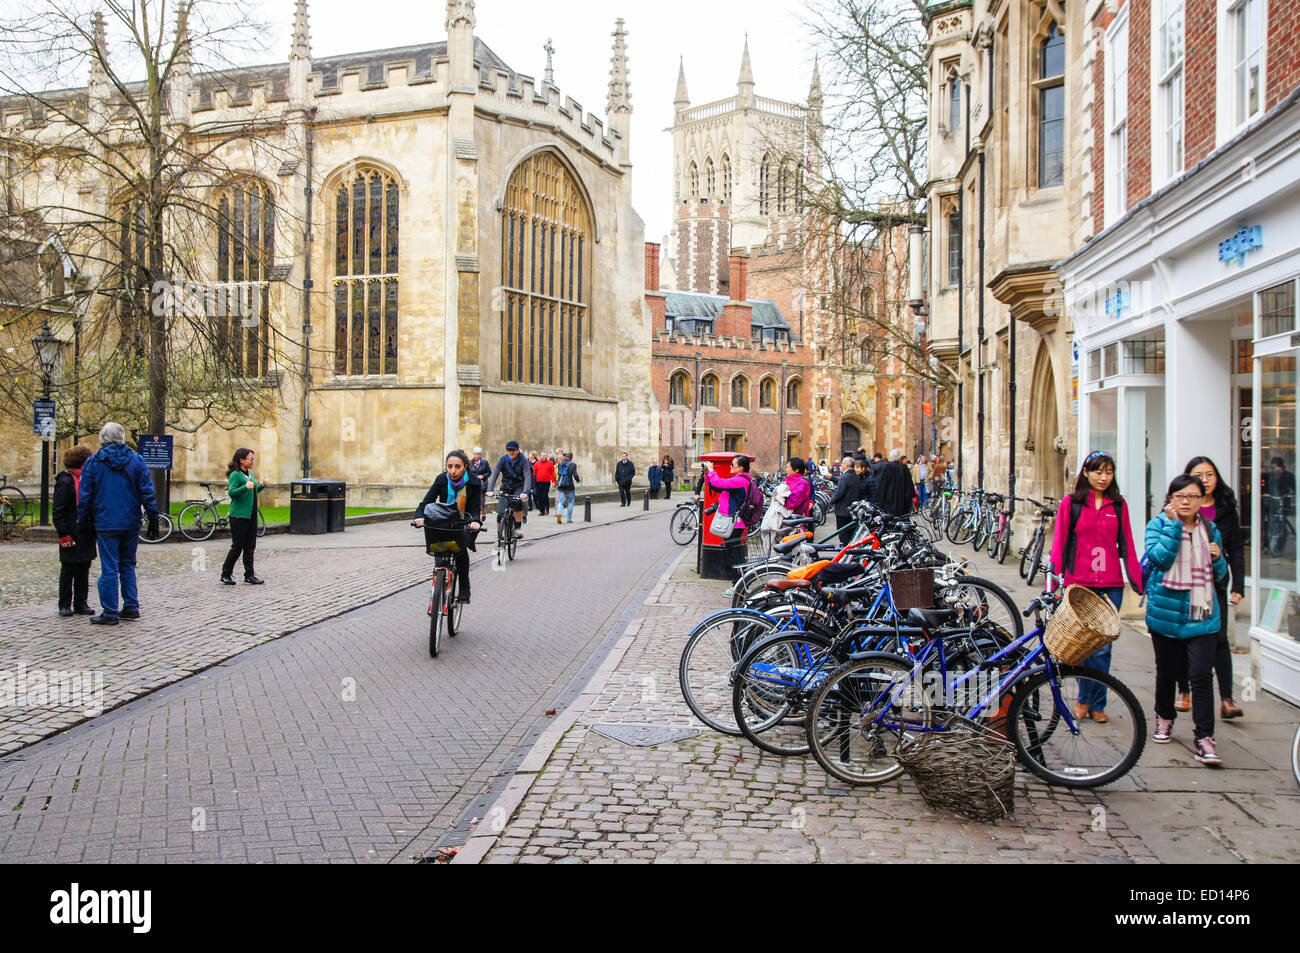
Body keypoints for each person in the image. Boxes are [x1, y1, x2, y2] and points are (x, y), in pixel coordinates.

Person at [1047, 450, 1144, 721]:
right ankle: (1084, 697)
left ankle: (1096, 703)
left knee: (1103, 647)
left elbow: (1127, 543)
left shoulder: (1118, 505)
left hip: (1110, 584)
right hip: (1080, 584)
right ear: (1086, 473)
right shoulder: (1072, 503)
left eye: (1109, 472)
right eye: (1098, 471)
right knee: (1081, 645)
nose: (1104, 477)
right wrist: (1053, 579)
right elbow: (1060, 543)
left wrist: (1137, 579)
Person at [1146, 473, 1229, 765]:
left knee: (1201, 676)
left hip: (1202, 614)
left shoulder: (1210, 529)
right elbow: (1159, 559)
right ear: (1170, 499)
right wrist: (1172, 528)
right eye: (1179, 496)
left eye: (1192, 496)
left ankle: (1205, 738)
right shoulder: (1157, 525)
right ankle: (1164, 717)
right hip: (1166, 614)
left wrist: (1218, 560)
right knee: (1167, 672)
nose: (1185, 501)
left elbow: (1221, 577)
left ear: (1200, 501)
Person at [1175, 457, 1246, 720]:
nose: (1205, 479)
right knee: (1184, 637)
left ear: (1217, 478)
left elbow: (1236, 549)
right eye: (1199, 474)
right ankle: (1185, 692)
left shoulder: (1226, 508)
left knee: (1219, 639)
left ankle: (1227, 699)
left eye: (1210, 474)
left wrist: (1239, 584)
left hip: (1215, 582)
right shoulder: (1180, 505)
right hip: (1184, 582)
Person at [75, 422, 160, 625]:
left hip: (106, 520)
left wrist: (82, 520)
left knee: (110, 567)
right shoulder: (137, 460)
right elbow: (147, 491)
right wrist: (153, 517)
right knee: (128, 565)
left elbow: (85, 495)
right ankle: (131, 606)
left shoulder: (95, 462)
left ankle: (110, 611)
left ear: (103, 439)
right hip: (130, 520)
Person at [413, 450, 483, 604]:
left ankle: (465, 588)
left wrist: (475, 522)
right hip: (444, 522)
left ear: (464, 466)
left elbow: (475, 508)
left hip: (464, 523)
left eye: (457, 466)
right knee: (439, 552)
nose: (453, 470)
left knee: (460, 550)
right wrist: (419, 516)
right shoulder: (441, 480)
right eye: (449, 466)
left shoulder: (473, 482)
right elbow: (426, 502)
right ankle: (439, 586)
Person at [53, 444, 98, 617]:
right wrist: (63, 534)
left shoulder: (86, 480)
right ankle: (64, 604)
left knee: (83, 569)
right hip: (71, 531)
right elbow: (59, 511)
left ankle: (81, 603)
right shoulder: (66, 481)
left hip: (85, 531)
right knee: (68, 570)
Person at [220, 448, 267, 586]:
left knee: (250, 547)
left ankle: (249, 575)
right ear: (241, 460)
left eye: (253, 459)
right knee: (237, 547)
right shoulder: (235, 475)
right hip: (239, 516)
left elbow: (253, 491)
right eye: (250, 459)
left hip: (251, 515)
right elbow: (232, 493)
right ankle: (225, 574)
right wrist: (244, 487)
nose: (252, 461)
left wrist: (262, 485)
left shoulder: (250, 474)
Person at [705, 455, 754, 575]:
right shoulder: (738, 480)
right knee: (733, 554)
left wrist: (712, 471)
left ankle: (738, 585)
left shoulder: (740, 481)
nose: (730, 466)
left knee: (735, 556)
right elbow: (714, 485)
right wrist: (707, 474)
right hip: (732, 523)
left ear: (741, 468)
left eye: (733, 464)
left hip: (734, 524)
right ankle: (738, 584)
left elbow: (718, 482)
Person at [760, 457, 813, 554]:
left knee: (790, 551)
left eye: (788, 467)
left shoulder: (803, 483)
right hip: (783, 522)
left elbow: (792, 503)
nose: (786, 469)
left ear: (796, 470)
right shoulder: (787, 481)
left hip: (793, 522)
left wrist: (779, 499)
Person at [486, 440, 532, 538]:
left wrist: (525, 492)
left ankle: (517, 529)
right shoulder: (502, 460)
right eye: (509, 450)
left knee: (517, 503)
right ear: (506, 451)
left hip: (518, 486)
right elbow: (495, 475)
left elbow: (527, 476)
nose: (511, 452)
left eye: (513, 450)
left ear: (518, 451)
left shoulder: (523, 460)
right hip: (506, 487)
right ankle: (499, 535)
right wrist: (490, 490)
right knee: (501, 513)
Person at [829, 456, 861, 545]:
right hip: (852, 509)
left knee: (843, 534)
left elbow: (840, 493)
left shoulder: (845, 477)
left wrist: (832, 501)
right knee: (851, 533)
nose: (841, 465)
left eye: (842, 463)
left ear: (846, 465)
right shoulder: (855, 476)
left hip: (842, 510)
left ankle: (845, 552)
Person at [468, 447, 492, 521]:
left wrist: (483, 476)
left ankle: (484, 513)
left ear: (480, 455)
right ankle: (473, 515)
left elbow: (489, 472)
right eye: (474, 454)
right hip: (472, 483)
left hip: (482, 484)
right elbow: (468, 472)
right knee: (472, 500)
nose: (476, 456)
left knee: (481, 501)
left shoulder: (485, 462)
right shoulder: (470, 462)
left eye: (477, 454)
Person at [555, 452, 580, 523]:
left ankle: (559, 516)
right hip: (570, 486)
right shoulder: (573, 465)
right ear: (571, 458)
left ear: (565, 457)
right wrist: (578, 480)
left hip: (561, 485)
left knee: (560, 502)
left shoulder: (560, 464)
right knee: (570, 502)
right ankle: (569, 519)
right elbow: (575, 475)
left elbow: (558, 474)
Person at [533, 452, 555, 518]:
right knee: (539, 497)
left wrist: (553, 481)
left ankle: (547, 508)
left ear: (546, 456)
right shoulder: (536, 464)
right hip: (538, 482)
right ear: (540, 456)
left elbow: (553, 473)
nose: (544, 457)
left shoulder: (550, 463)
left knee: (544, 496)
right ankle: (541, 511)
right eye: (542, 456)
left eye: (545, 456)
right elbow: (534, 474)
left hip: (546, 482)